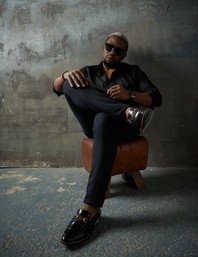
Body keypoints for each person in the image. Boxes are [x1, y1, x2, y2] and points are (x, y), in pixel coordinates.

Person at [53, 32, 162, 245]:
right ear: (104, 47)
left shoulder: (133, 72)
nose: (112, 51)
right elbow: (56, 88)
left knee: (103, 119)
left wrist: (129, 95)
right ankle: (127, 111)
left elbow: (156, 98)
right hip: (96, 124)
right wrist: (65, 75)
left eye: (118, 50)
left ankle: (90, 209)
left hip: (125, 128)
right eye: (109, 46)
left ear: (123, 55)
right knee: (68, 84)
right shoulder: (89, 72)